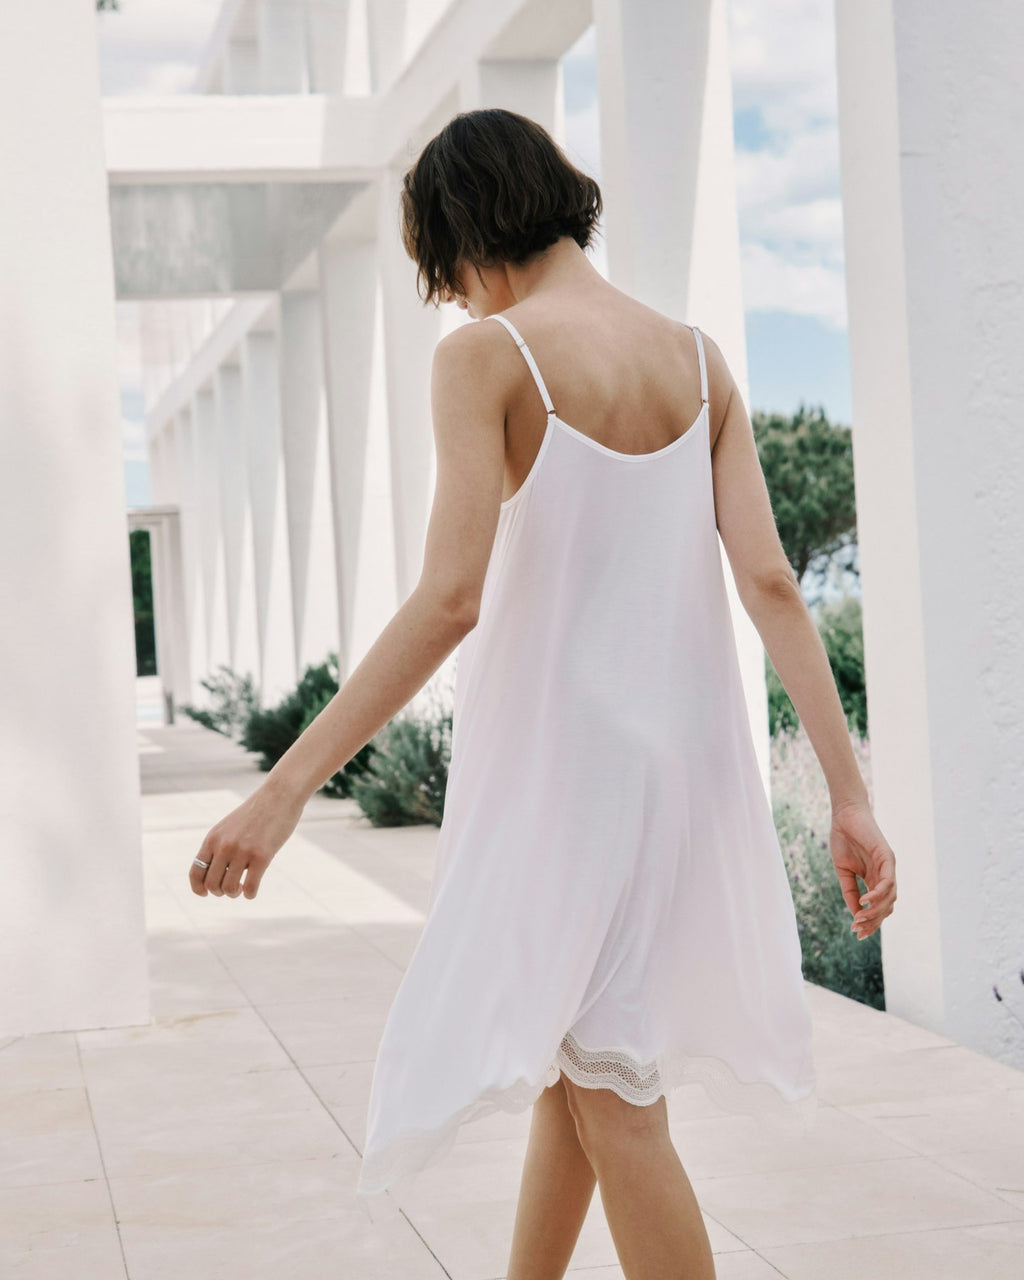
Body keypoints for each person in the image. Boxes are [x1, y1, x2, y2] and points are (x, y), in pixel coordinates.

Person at [189, 109, 897, 1278]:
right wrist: (849, 794)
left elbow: (448, 599)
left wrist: (282, 790)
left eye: (445, 273)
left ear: (465, 233)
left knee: (619, 1105)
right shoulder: (698, 358)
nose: (456, 302)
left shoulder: (489, 357)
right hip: (676, 788)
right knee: (576, 1074)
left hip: (562, 790)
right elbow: (771, 580)